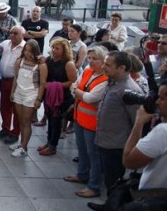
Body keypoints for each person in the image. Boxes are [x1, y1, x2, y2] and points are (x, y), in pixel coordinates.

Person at [62, 46, 108, 198]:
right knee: (82, 150)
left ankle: (94, 186)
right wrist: (81, 93)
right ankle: (82, 175)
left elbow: (91, 98)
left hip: (92, 123)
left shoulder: (106, 79)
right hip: (79, 117)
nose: (91, 61)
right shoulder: (88, 71)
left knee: (93, 154)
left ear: (104, 61)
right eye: (90, 58)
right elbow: (75, 86)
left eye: (95, 59)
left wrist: (79, 93)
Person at [96, 51, 142, 193]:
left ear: (122, 68)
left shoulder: (129, 90)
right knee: (109, 180)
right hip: (105, 141)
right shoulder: (113, 82)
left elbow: (137, 121)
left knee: (114, 182)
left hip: (116, 147)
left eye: (108, 65)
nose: (103, 67)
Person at [122, 81, 167, 190]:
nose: (156, 102)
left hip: (155, 197)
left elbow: (129, 161)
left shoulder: (163, 131)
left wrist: (139, 122)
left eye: (161, 98)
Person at [38, 38, 77, 156]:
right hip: (50, 95)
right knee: (50, 118)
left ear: (64, 50)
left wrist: (56, 86)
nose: (54, 50)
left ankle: (53, 146)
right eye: (53, 48)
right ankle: (49, 142)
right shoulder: (50, 60)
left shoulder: (68, 63)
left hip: (62, 97)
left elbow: (72, 81)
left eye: (57, 48)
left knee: (56, 121)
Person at [9, 39, 47, 158]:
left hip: (31, 95)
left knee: (26, 122)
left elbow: (42, 83)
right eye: (25, 50)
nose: (27, 53)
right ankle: (21, 143)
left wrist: (39, 99)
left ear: (36, 51)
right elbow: (16, 77)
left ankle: (24, 148)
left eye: (30, 51)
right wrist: (12, 92)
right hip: (19, 93)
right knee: (21, 120)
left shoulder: (41, 65)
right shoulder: (19, 61)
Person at [0, 26, 26, 145]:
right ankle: (5, 128)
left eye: (16, 33)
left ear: (22, 35)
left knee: (16, 109)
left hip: (17, 82)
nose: (12, 35)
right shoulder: (5, 43)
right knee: (4, 107)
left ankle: (15, 132)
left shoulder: (25, 47)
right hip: (4, 81)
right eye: (11, 32)